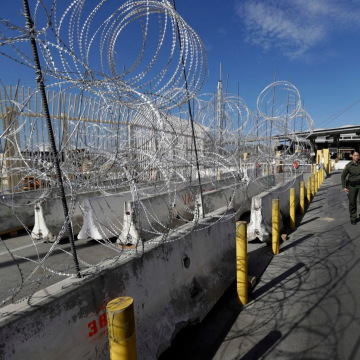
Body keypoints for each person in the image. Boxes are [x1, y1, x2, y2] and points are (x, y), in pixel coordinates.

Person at [341, 150, 360, 225]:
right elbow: (343, 176)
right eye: (355, 155)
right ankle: (353, 218)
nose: (356, 157)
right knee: (352, 202)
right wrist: (344, 187)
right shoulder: (349, 165)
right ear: (352, 156)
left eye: (357, 155)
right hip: (352, 186)